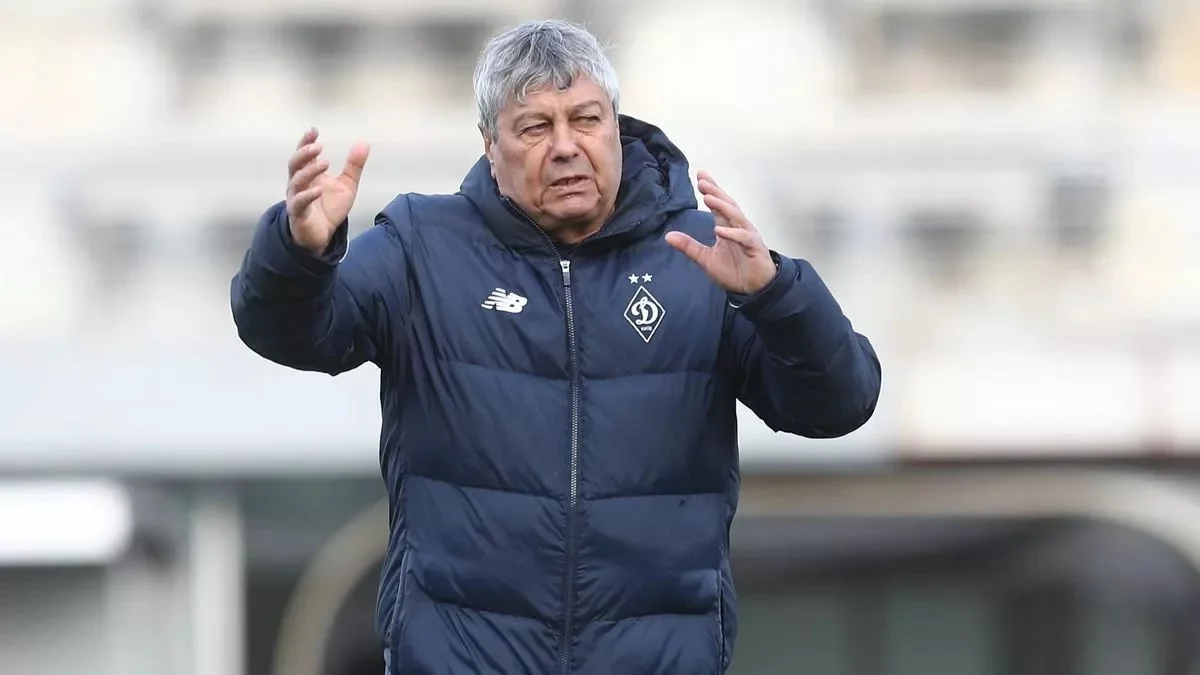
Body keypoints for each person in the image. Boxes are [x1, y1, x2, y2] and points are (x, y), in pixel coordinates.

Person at [231, 18, 881, 675]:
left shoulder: (702, 255)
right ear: (490, 146)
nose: (566, 146)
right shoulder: (422, 246)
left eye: (586, 119)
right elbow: (290, 331)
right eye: (535, 127)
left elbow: (840, 403)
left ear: (616, 126)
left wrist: (776, 295)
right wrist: (298, 253)